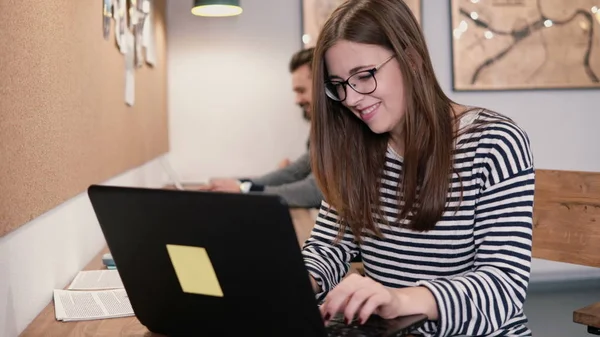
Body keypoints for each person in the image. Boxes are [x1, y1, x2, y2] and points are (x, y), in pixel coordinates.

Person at [302, 1, 535, 336]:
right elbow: (329, 246)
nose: (351, 99)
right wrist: (294, 281)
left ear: (412, 59)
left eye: (364, 76)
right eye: (338, 84)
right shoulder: (356, 150)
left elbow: (502, 289)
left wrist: (399, 300)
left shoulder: (494, 141)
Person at [207, 48, 323, 209]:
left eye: (301, 91)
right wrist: (239, 184)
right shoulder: (325, 132)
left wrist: (243, 189)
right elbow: (295, 172)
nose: (297, 100)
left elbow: (313, 191)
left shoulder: (345, 133)